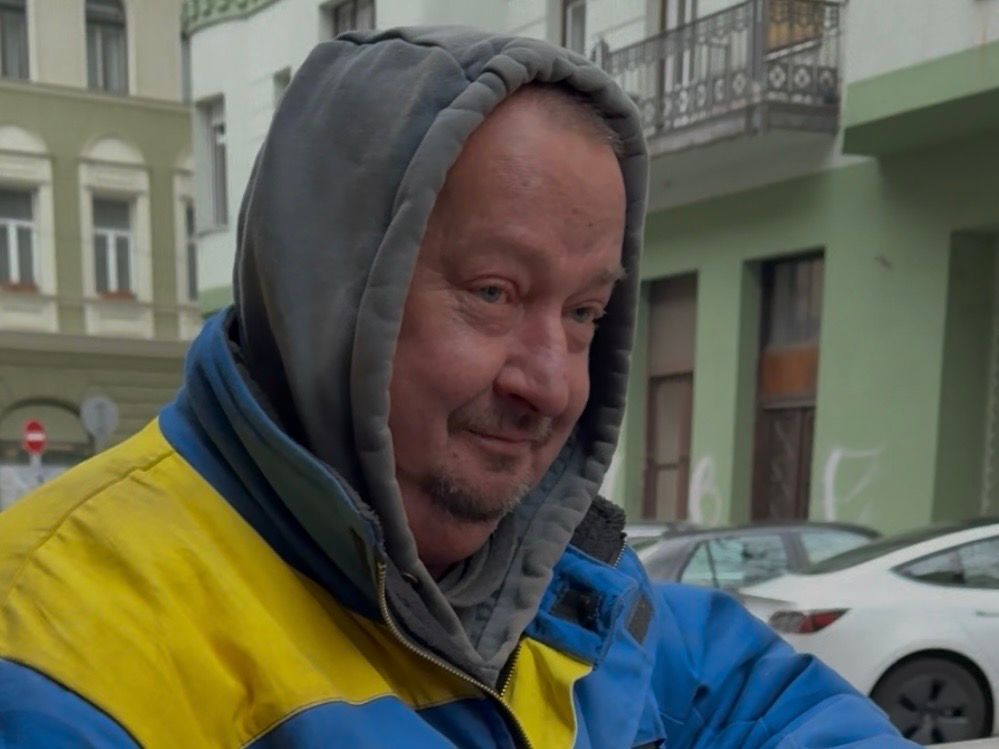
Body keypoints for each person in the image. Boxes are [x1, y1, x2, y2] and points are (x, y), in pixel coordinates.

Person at [0, 27, 914, 748]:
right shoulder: (53, 644)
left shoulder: (570, 588)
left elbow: (769, 700)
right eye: (493, 292)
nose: (549, 382)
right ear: (331, 292)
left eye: (584, 312)